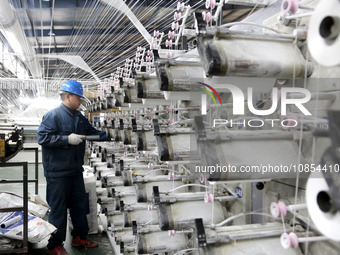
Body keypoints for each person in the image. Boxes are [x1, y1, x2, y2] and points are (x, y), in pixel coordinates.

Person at [37, 80, 107, 255]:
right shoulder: (53, 116)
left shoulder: (79, 117)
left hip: (75, 170)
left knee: (79, 206)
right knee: (59, 209)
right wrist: (66, 139)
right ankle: (55, 245)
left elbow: (92, 133)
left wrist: (113, 134)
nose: (81, 101)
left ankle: (79, 237)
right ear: (67, 96)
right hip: (57, 172)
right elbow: (43, 138)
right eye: (78, 98)